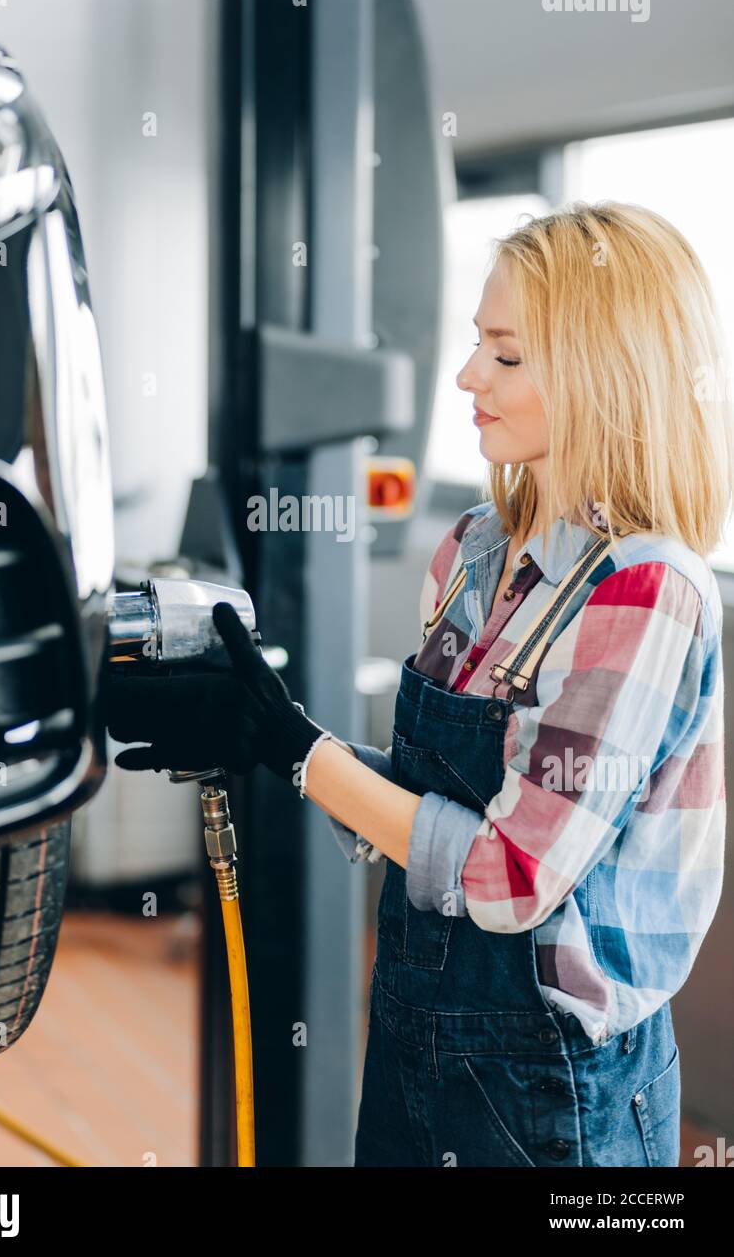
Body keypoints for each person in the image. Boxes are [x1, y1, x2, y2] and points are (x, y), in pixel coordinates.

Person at [110, 201, 733, 1168]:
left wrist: (301, 754)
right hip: (412, 1030)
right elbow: (435, 803)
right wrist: (263, 734)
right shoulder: (474, 552)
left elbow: (511, 873)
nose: (467, 376)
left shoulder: (644, 591)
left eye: (508, 355)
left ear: (610, 378)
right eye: (477, 344)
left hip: (551, 1082)